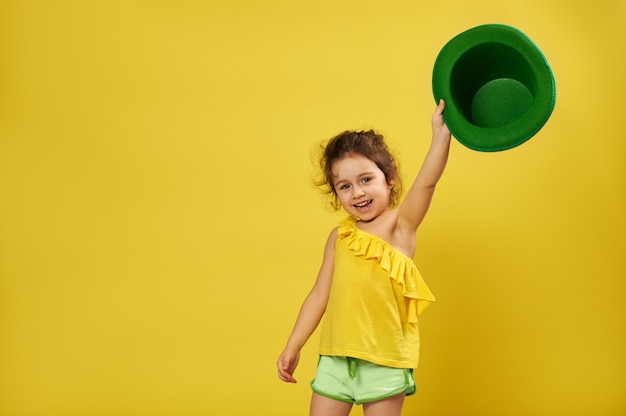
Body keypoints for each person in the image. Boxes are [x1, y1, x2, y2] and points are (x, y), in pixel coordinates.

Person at [277, 99, 451, 416]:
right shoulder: (339, 237)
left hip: (385, 360)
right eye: (345, 186)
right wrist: (294, 344)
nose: (357, 193)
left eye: (366, 180)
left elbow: (427, 181)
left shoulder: (401, 226)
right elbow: (319, 295)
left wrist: (440, 137)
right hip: (336, 358)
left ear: (390, 178)